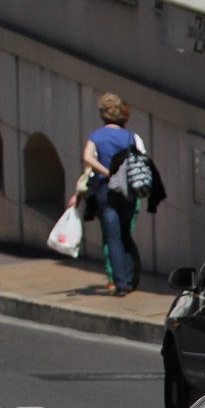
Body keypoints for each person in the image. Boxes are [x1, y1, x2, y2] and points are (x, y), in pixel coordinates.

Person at [80, 92, 142, 296]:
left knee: (112, 238)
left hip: (106, 191)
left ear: (102, 114)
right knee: (125, 235)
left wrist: (106, 172)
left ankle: (120, 284)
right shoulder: (130, 136)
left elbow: (87, 157)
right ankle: (130, 279)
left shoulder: (96, 136)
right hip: (127, 191)